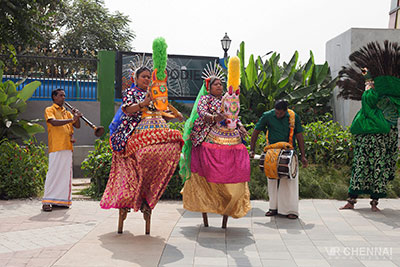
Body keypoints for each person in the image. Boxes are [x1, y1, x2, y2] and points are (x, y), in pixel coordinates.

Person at [100, 65, 183, 233]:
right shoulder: (131, 93)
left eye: (148, 77)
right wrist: (143, 103)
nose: (146, 79)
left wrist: (174, 113)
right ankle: (136, 190)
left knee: (174, 142)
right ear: (136, 79)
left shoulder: (156, 92)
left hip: (154, 130)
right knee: (144, 154)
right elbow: (127, 109)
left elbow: (164, 111)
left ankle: (149, 189)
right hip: (133, 131)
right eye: (143, 76)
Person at [180, 61, 251, 228]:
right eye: (216, 84)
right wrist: (214, 118)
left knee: (239, 149)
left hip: (228, 132)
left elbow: (234, 115)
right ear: (209, 87)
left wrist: (239, 126)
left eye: (221, 83)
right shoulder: (205, 99)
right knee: (205, 151)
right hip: (208, 131)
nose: (219, 86)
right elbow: (202, 113)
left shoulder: (228, 98)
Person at [338, 41, 400, 212]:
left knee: (368, 168)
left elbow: (368, 89)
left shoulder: (380, 100)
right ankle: (362, 202)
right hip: (374, 139)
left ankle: (363, 202)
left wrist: (366, 74)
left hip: (376, 139)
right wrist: (367, 73)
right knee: (369, 168)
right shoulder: (382, 103)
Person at [250, 100, 307, 219]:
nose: (278, 115)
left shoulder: (293, 116)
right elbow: (256, 132)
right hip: (272, 152)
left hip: (289, 151)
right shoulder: (267, 115)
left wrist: (303, 155)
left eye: (280, 113)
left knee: (289, 182)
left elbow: (299, 136)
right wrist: (252, 150)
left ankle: (291, 210)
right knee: (272, 180)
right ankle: (273, 208)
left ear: (286, 111)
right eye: (276, 112)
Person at [42, 89, 82, 212]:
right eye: (60, 95)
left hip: (67, 146)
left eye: (64, 96)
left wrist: (77, 116)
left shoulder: (67, 112)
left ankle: (60, 201)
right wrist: (72, 119)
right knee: (53, 173)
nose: (63, 98)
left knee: (65, 175)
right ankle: (47, 201)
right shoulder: (50, 109)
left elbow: (77, 125)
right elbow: (53, 122)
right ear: (54, 97)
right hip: (56, 145)